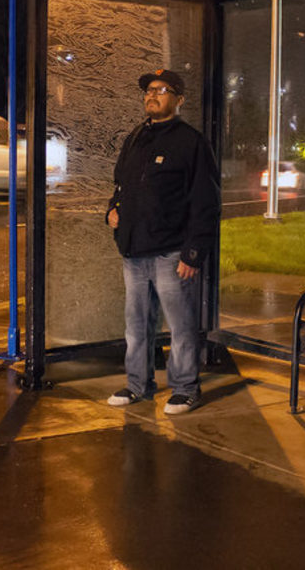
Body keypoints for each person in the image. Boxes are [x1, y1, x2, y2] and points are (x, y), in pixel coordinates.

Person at [105, 69, 220, 414]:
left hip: (173, 254)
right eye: (148, 90)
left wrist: (193, 253)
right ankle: (138, 385)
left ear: (179, 99)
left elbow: (206, 203)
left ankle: (186, 388)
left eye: (161, 90)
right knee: (136, 327)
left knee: (182, 327)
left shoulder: (191, 143)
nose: (152, 95)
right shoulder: (136, 137)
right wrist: (112, 210)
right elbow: (121, 186)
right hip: (134, 252)